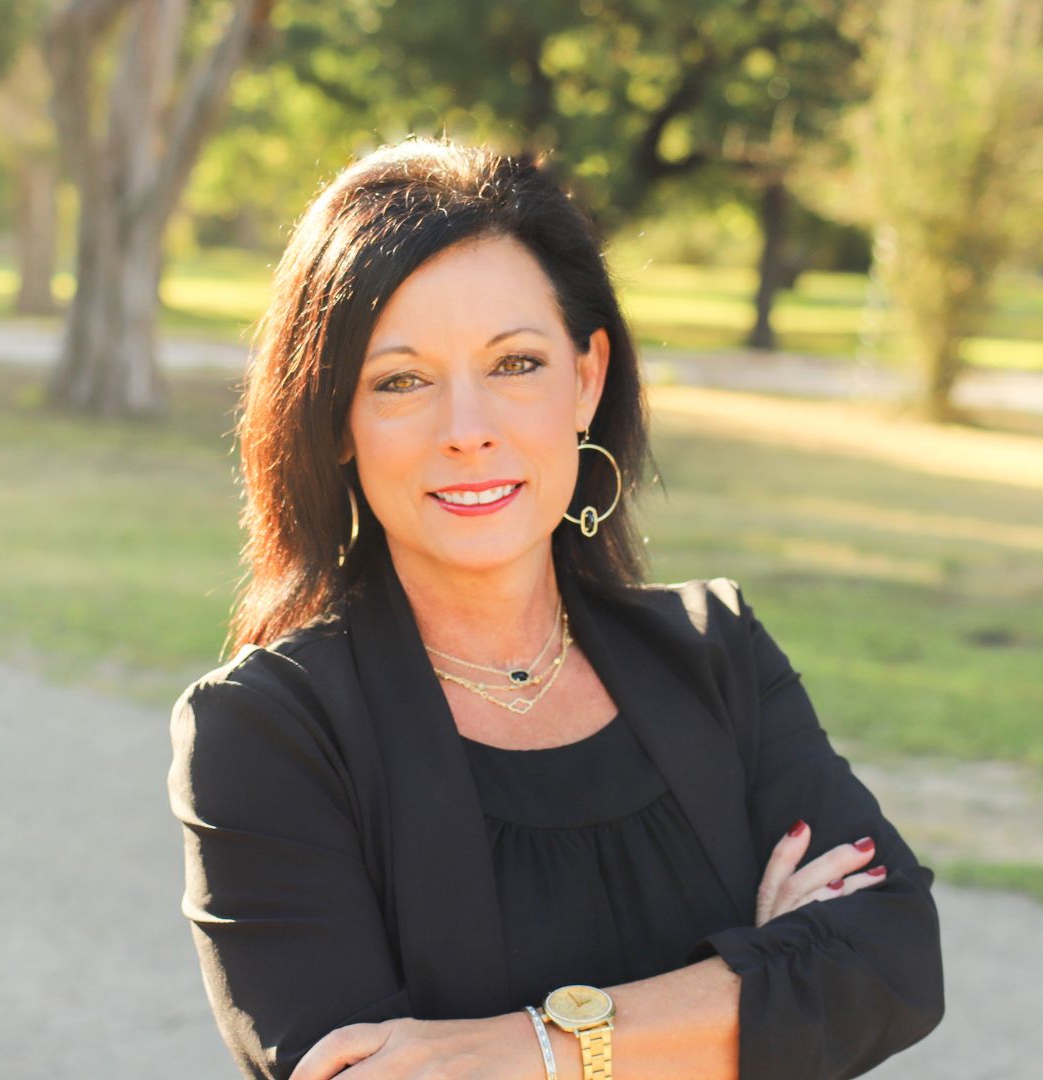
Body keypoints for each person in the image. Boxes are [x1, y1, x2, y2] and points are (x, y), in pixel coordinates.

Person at [166, 137, 944, 1080]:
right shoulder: (265, 731)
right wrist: (760, 979)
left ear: (586, 378)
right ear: (335, 421)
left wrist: (521, 1048)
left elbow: (891, 959)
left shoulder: (715, 652)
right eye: (400, 380)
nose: (469, 430)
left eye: (517, 363)